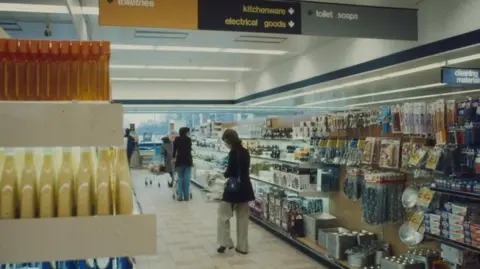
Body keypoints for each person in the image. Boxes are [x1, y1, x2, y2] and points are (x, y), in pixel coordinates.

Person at [217, 129, 255, 255]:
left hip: (233, 190)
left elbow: (229, 172)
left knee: (223, 216)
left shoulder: (233, 152)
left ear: (228, 140)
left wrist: (222, 174)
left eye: (225, 141)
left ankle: (225, 242)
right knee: (243, 219)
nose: (225, 144)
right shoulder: (245, 151)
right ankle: (243, 247)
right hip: (245, 189)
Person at [173, 127, 193, 201]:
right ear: (185, 132)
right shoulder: (188, 139)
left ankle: (180, 197)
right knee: (187, 179)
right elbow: (189, 149)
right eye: (188, 132)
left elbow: (174, 150)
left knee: (180, 178)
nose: (189, 133)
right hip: (188, 160)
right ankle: (186, 197)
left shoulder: (176, 139)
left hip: (179, 160)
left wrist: (173, 158)